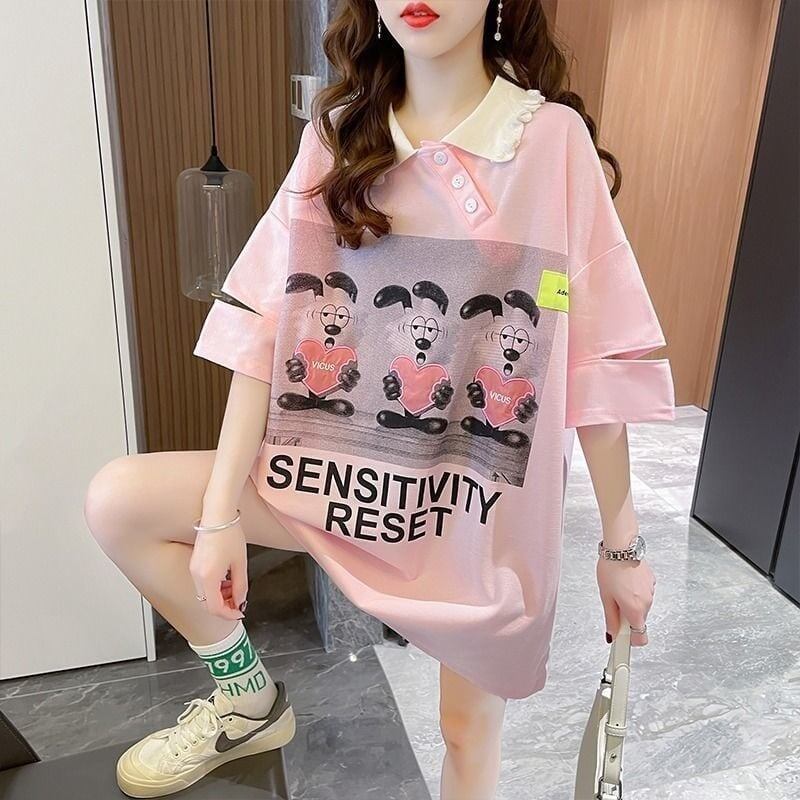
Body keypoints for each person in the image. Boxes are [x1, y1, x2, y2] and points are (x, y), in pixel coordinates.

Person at [84, 1, 675, 797]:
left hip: (473, 527)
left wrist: (621, 547)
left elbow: (594, 358)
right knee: (120, 504)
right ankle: (247, 699)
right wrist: (219, 514)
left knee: (466, 734)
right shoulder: (337, 138)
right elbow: (268, 324)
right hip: (334, 487)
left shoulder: (549, 144)